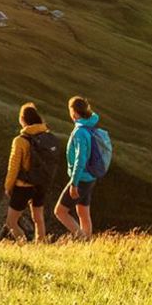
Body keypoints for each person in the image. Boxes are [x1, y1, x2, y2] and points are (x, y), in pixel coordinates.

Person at [2, 102, 64, 241]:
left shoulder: (20, 141)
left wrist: (8, 186)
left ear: (22, 120)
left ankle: (23, 247)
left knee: (11, 223)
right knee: (38, 218)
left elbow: (13, 167)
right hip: (41, 184)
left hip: (24, 185)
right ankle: (40, 245)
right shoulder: (47, 137)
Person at [51, 96, 106, 240]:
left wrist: (74, 183)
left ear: (74, 112)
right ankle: (88, 244)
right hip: (90, 177)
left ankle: (82, 240)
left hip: (81, 178)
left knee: (60, 211)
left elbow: (80, 159)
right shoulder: (91, 125)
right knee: (83, 213)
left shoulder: (80, 132)